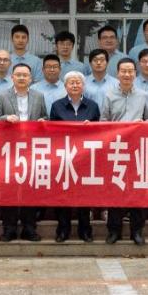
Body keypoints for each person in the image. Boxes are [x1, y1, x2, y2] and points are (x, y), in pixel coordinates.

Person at [0, 63, 48, 242]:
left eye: (25, 75)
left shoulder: (39, 96)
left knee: (30, 190)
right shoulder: (2, 95)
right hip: (9, 150)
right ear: (12, 77)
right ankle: (9, 229)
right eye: (18, 75)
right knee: (9, 189)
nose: (22, 78)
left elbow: (45, 117)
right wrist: (5, 118)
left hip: (31, 150)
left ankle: (29, 228)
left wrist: (42, 121)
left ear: (31, 78)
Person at [101, 58, 148, 246]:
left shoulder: (143, 95)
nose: (127, 74)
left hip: (137, 149)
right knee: (115, 190)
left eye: (130, 71)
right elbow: (103, 121)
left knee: (137, 191)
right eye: (123, 71)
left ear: (135, 74)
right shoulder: (108, 95)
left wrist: (144, 124)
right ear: (117, 73)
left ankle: (137, 231)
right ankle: (114, 231)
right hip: (116, 149)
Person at [48, 71, 99, 242]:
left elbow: (101, 132)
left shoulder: (93, 106)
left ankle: (85, 230)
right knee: (63, 194)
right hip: (63, 157)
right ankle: (63, 229)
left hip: (86, 158)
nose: (75, 85)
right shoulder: (57, 106)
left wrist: (91, 127)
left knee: (85, 195)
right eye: (71, 82)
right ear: (65, 86)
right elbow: (52, 132)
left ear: (83, 86)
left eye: (78, 82)